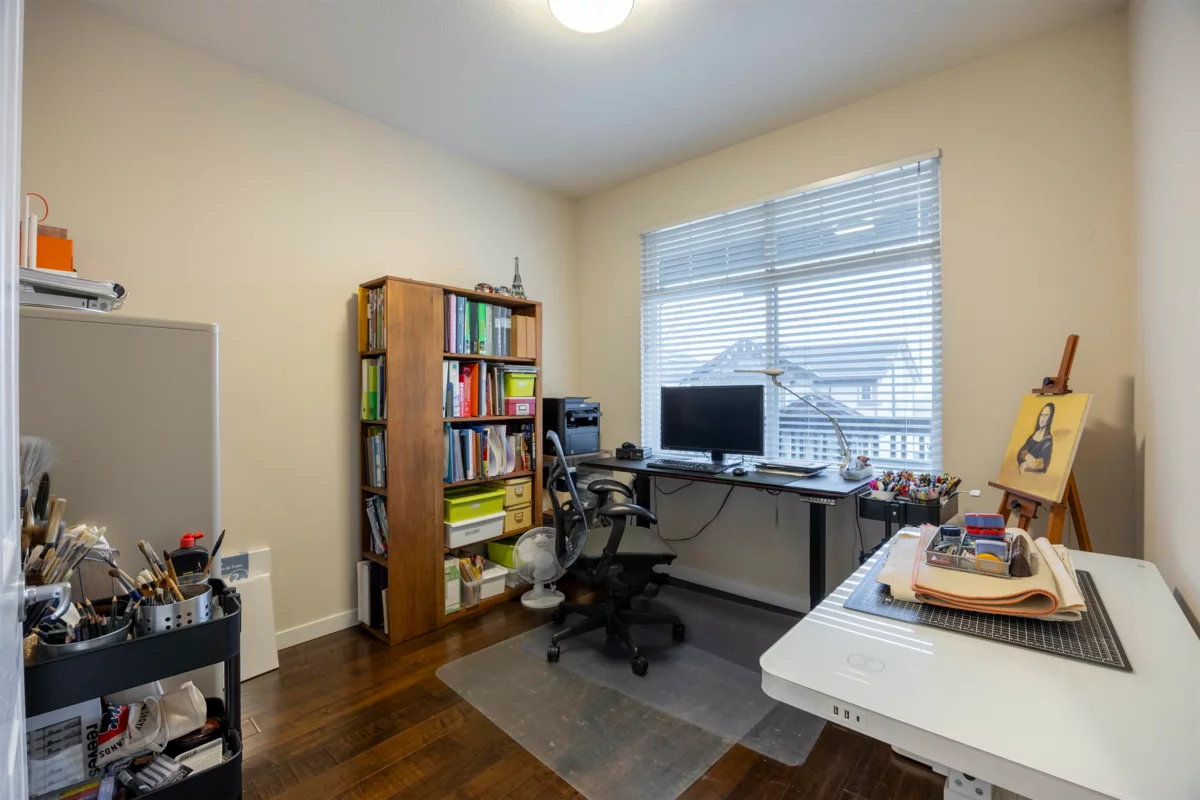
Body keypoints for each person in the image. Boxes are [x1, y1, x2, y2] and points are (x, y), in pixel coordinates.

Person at [1017, 402, 1054, 474]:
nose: (1042, 419)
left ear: (1050, 418)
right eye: (1042, 415)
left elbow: (1043, 466)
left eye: (1046, 415)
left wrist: (1027, 464)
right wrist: (1027, 456)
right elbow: (1019, 454)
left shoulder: (1047, 441)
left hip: (1034, 479)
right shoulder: (1033, 436)